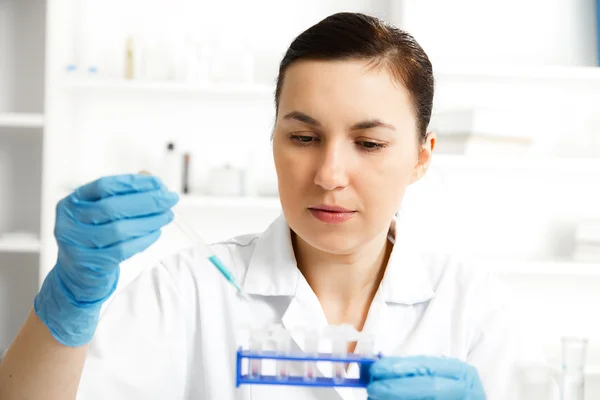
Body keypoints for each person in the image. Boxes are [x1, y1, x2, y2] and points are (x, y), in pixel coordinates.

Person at [0, 12, 547, 400]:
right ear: (273, 141)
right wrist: (69, 302)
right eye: (303, 138)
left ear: (421, 157)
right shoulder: (190, 289)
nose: (330, 175)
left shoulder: (473, 308)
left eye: (370, 143)